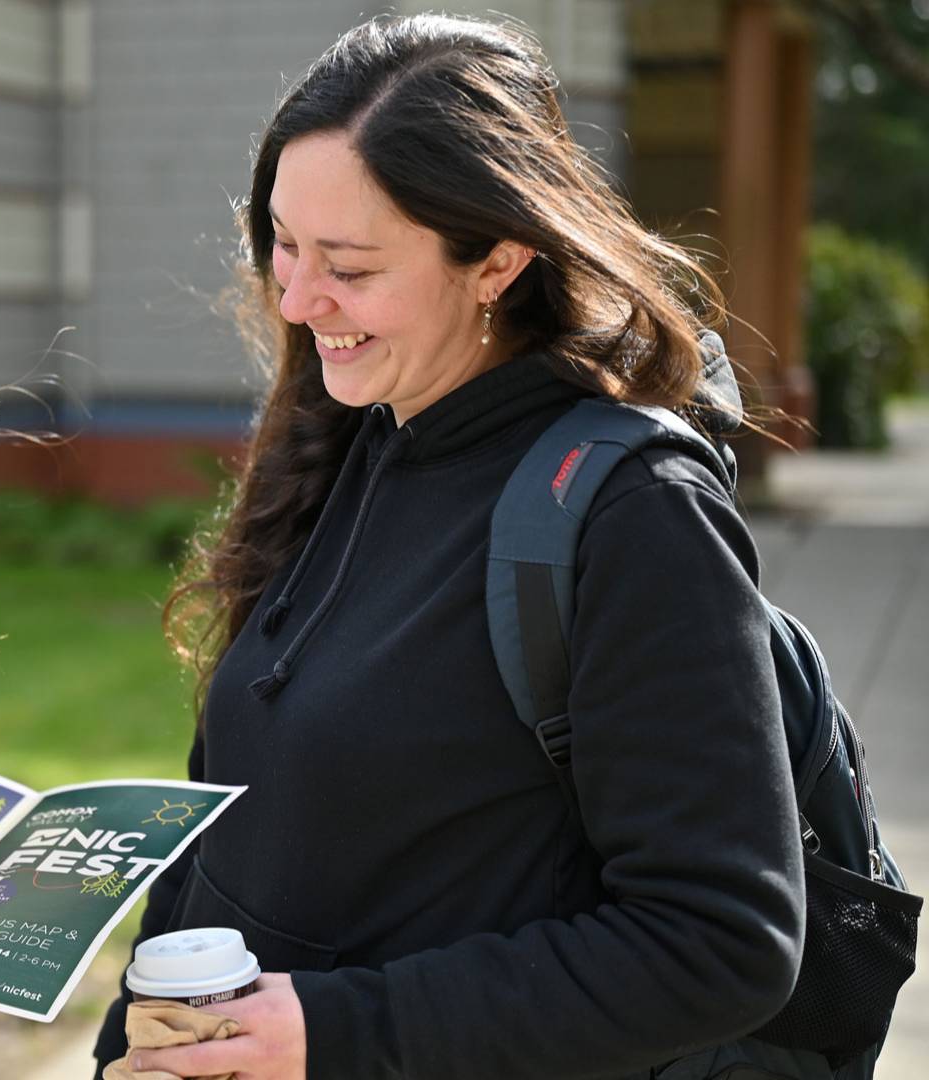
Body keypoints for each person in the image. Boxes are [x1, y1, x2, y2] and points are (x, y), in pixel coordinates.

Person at [95, 14, 814, 1080]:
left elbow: (722, 942)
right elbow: (239, 836)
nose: (297, 300)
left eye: (348, 264)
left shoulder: (633, 513)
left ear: (499, 261)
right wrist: (129, 1039)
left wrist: (342, 1031)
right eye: (283, 245)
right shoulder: (354, 434)